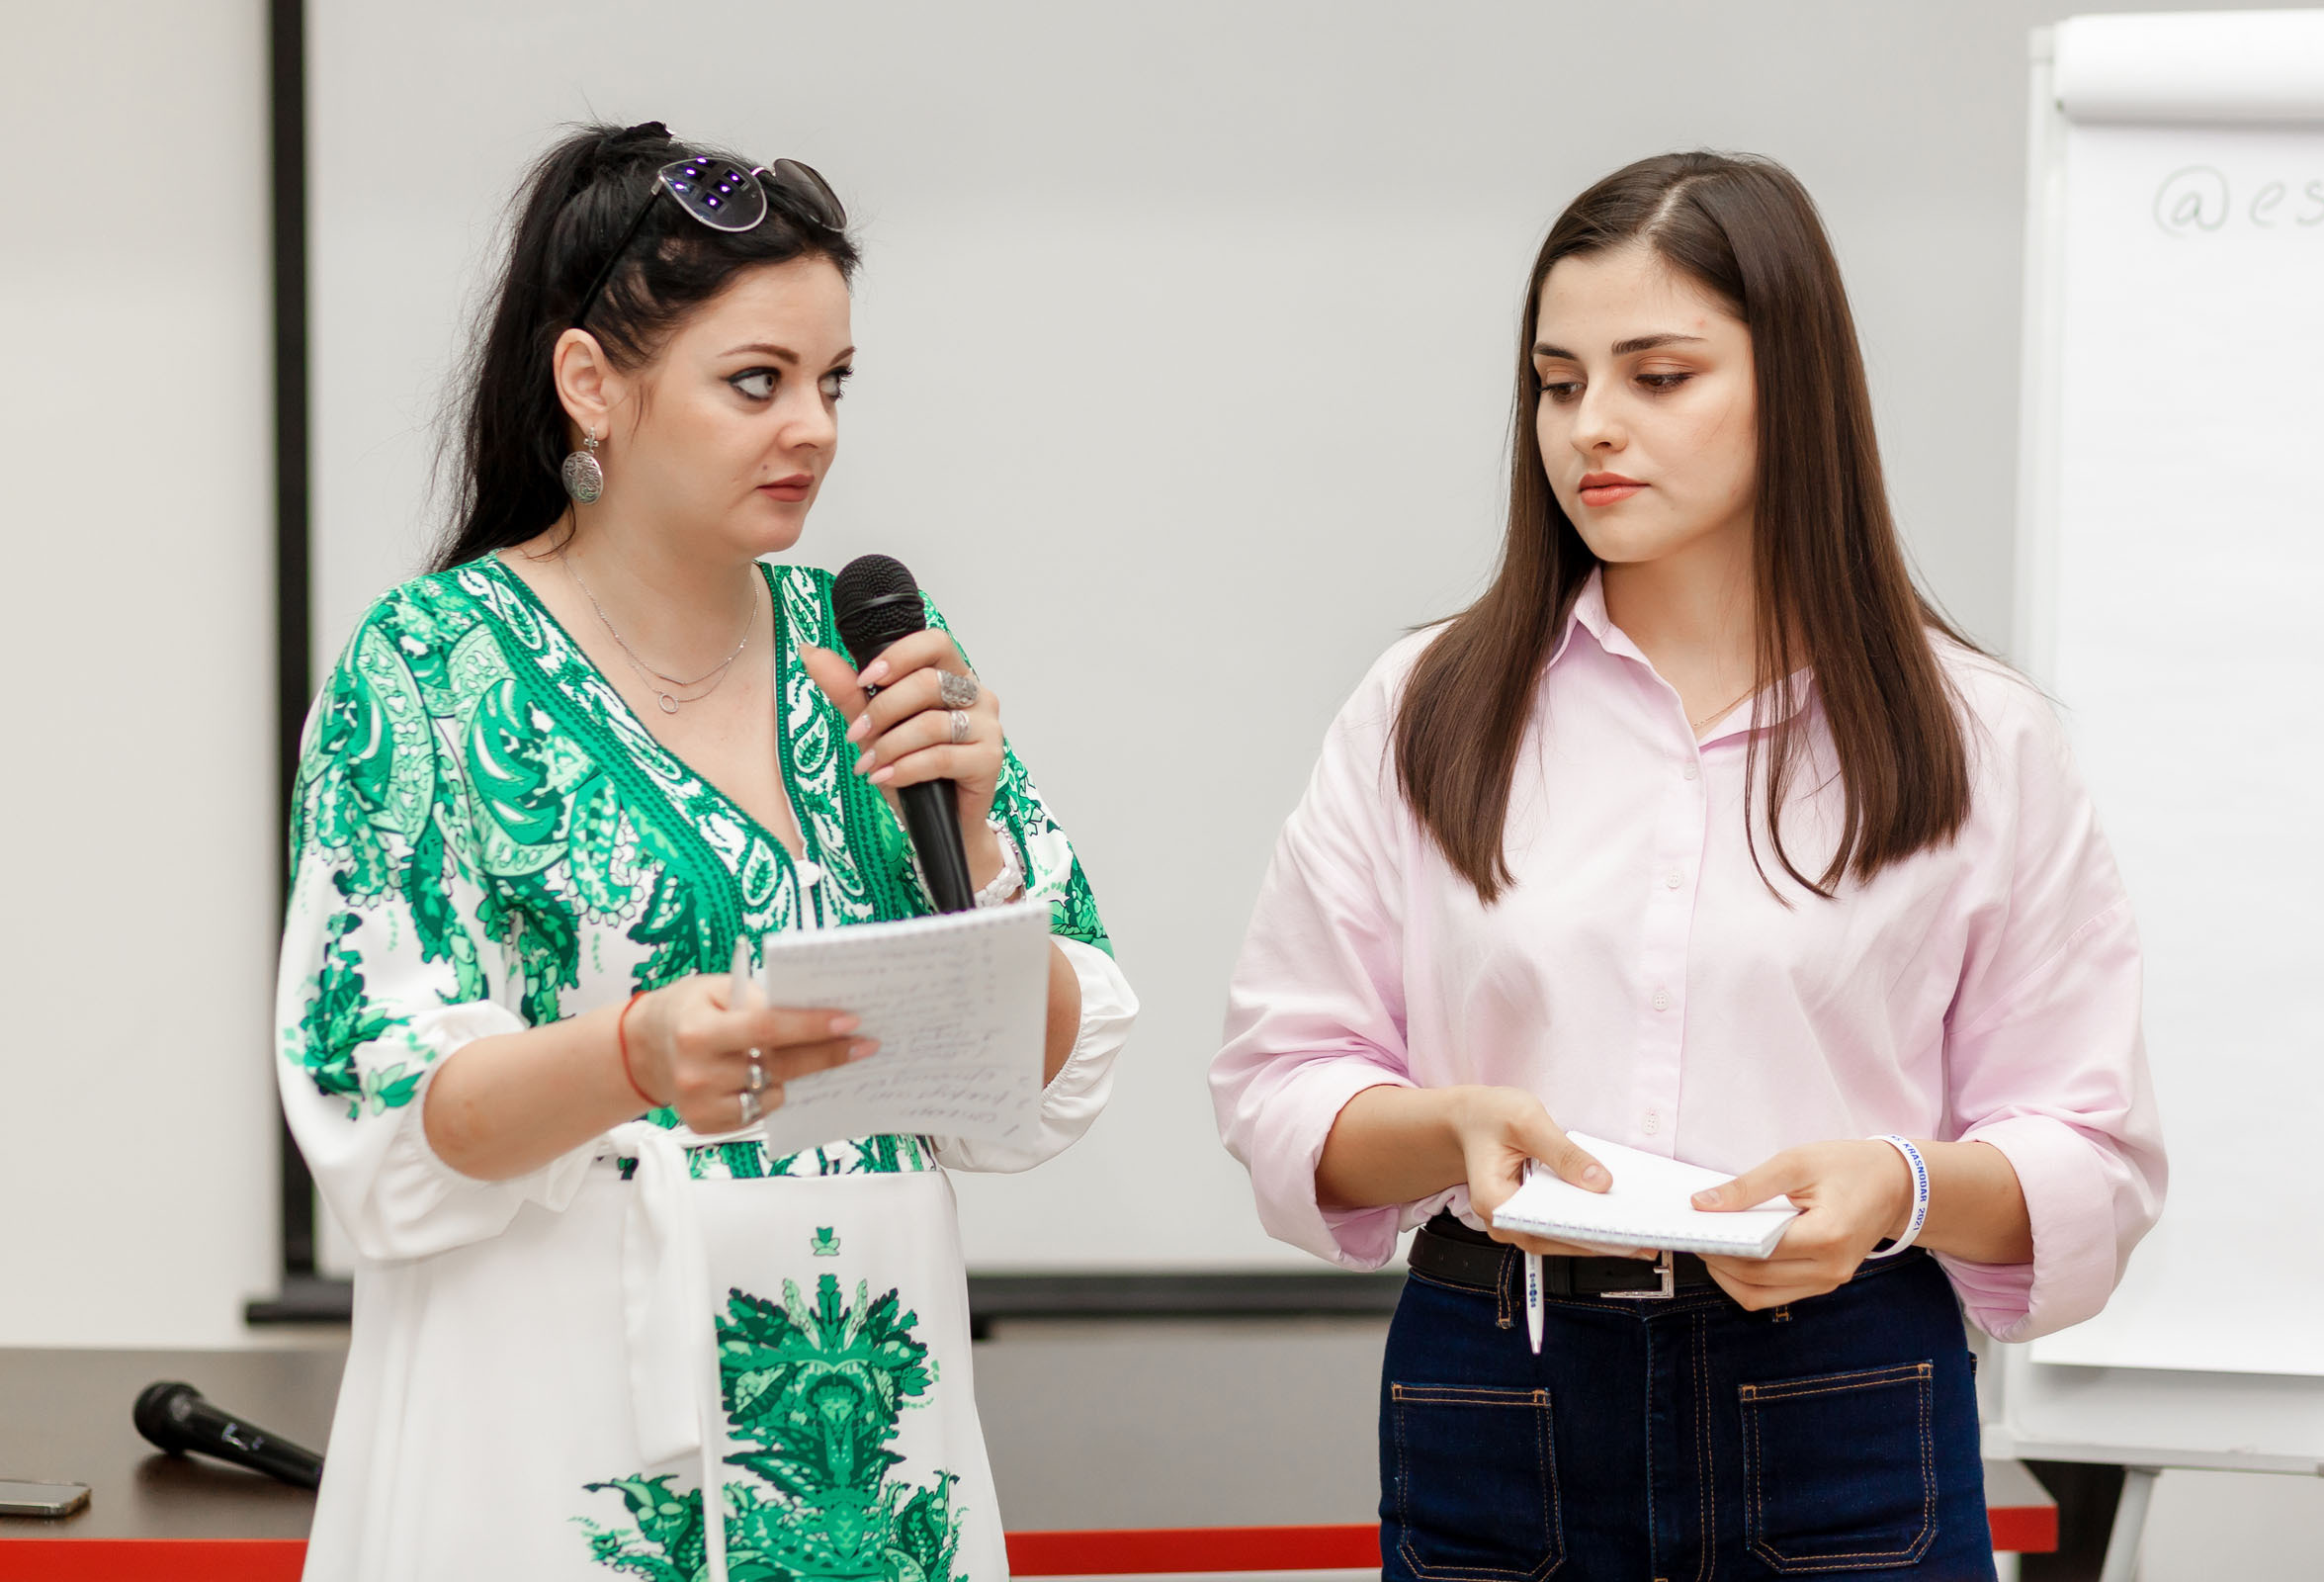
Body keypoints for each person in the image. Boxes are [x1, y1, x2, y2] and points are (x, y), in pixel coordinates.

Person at [1210, 151, 2164, 1579]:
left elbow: (2093, 1153)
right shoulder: (1426, 705)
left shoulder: (1978, 737)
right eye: (1557, 380)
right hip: (1498, 1382)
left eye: (1658, 377)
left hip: (1841, 1393)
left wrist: (1899, 1186)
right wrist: (1449, 1126)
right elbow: (1279, 1085)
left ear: (1797, 387)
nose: (1592, 428)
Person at [277, 121, 1135, 1582]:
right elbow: (389, 1117)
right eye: (758, 382)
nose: (814, 428)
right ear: (591, 386)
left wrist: (974, 840)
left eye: (832, 382)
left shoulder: (869, 657)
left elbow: (1046, 1074)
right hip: (560, 1441)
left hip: (876, 1449)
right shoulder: (425, 667)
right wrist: (631, 1053)